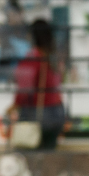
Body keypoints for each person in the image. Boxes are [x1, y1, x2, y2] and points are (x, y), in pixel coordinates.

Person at [10, 18, 66, 150]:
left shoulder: (32, 58)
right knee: (48, 158)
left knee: (30, 157)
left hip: (37, 114)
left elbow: (23, 91)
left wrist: (13, 107)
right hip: (57, 113)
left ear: (33, 36)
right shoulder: (54, 58)